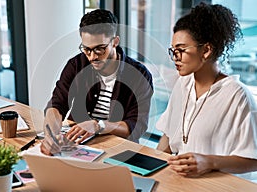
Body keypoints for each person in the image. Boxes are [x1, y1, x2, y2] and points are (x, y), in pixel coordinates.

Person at [156, 2, 257, 181]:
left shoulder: (237, 96)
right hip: (179, 181)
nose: (175, 58)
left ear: (207, 50)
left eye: (181, 50)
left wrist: (209, 162)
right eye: (173, 51)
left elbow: (252, 160)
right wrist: (150, 167)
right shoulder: (183, 84)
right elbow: (168, 136)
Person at [41, 9, 153, 155]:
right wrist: (50, 135)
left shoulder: (139, 75)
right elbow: (57, 105)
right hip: (77, 143)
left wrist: (98, 126)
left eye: (100, 49)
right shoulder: (76, 65)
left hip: (117, 148)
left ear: (115, 42)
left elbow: (135, 126)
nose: (92, 57)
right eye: (87, 49)